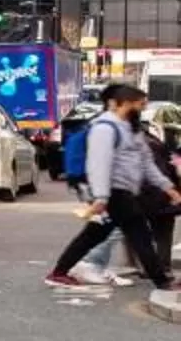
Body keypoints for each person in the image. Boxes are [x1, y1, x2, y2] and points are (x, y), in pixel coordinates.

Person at [47, 82, 178, 300]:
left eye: (142, 105)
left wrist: (168, 187)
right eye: (136, 104)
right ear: (117, 104)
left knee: (93, 235)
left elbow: (146, 164)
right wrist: (101, 197)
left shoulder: (132, 129)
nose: (140, 109)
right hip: (114, 192)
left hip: (124, 192)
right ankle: (162, 280)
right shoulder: (104, 128)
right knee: (140, 235)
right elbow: (99, 164)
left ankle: (58, 272)